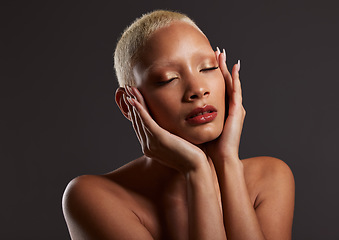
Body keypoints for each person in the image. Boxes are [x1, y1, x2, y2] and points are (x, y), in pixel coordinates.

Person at [62, 10, 295, 240]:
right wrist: (197, 170)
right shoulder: (93, 197)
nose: (198, 89)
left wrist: (227, 161)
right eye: (168, 79)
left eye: (208, 68)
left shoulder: (271, 178)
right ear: (128, 104)